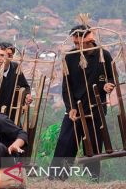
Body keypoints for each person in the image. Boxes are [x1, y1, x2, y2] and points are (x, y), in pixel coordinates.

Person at [49, 24, 115, 181]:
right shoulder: (70, 57)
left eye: (79, 42)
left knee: (93, 148)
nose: (76, 45)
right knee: (65, 144)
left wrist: (108, 85)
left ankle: (91, 180)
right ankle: (56, 180)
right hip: (75, 110)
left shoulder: (103, 55)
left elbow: (111, 77)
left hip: (96, 109)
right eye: (75, 43)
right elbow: (67, 86)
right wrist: (70, 108)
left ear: (89, 39)